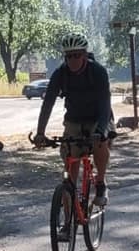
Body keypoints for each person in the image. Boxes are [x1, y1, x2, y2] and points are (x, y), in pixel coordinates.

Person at [33, 31, 116, 200]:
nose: (73, 60)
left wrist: (101, 131)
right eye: (69, 56)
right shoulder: (60, 74)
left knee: (101, 143)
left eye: (77, 55)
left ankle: (100, 182)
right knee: (70, 163)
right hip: (74, 119)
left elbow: (105, 104)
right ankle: (67, 221)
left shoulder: (98, 72)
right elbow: (47, 103)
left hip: (98, 117)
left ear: (85, 55)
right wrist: (40, 132)